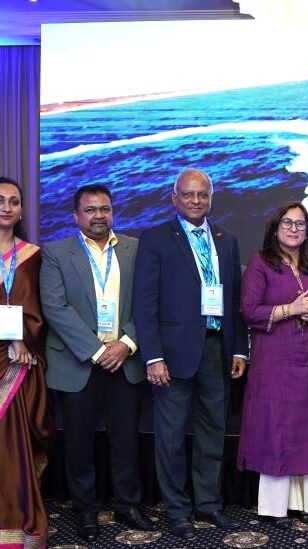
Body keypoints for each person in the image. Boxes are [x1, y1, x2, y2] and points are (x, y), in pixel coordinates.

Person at [133, 168, 248, 540]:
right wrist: (153, 356)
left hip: (217, 348)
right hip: (172, 355)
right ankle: (178, 510)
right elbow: (144, 303)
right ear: (174, 197)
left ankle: (208, 504)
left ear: (211, 198)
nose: (196, 200)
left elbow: (234, 298)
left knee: (213, 432)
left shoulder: (227, 240)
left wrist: (240, 349)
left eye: (202, 194)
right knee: (171, 437)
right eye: (188, 194)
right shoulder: (155, 239)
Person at [40, 184, 154, 541]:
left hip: (125, 359)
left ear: (113, 213)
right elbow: (55, 308)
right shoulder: (55, 253)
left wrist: (126, 344)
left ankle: (127, 504)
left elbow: (149, 301)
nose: (98, 216)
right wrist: (97, 350)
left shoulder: (136, 249)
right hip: (79, 363)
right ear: (76, 216)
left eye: (105, 209)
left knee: (126, 439)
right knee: (78, 442)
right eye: (90, 210)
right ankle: (85, 509)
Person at [238, 202, 308, 528]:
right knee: (275, 431)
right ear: (275, 228)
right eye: (287, 223)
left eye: (300, 224)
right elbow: (249, 311)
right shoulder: (260, 264)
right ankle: (275, 507)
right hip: (273, 363)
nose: (294, 229)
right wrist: (289, 310)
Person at [0, 176, 54, 548]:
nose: (7, 207)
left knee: (13, 441)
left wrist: (21, 338)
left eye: (14, 201)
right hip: (8, 349)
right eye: (0, 200)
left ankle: (15, 520)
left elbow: (39, 308)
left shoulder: (33, 255)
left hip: (20, 360)